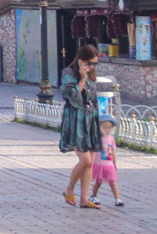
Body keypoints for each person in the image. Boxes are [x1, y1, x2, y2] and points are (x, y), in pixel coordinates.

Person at [59, 45, 102, 208]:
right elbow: (74, 99)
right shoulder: (68, 73)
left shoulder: (92, 75)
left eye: (95, 64)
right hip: (76, 121)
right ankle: (69, 189)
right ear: (82, 61)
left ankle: (84, 199)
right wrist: (82, 79)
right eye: (91, 63)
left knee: (90, 161)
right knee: (84, 160)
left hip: (89, 120)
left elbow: (93, 98)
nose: (92, 67)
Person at [89, 118, 123, 207]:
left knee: (112, 181)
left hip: (109, 164)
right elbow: (93, 151)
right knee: (98, 181)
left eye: (109, 128)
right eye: (104, 127)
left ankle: (117, 198)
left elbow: (113, 151)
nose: (107, 130)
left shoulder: (111, 139)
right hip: (99, 164)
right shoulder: (97, 139)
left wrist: (114, 162)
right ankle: (93, 196)